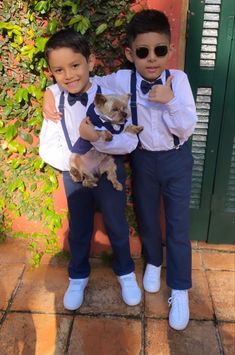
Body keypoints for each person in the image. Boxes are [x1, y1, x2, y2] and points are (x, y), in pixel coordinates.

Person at [43, 10, 197, 330]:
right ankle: (153, 262)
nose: (152, 59)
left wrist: (170, 101)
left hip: (175, 157)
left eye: (160, 50)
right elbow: (86, 80)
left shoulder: (178, 80)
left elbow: (186, 128)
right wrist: (51, 92)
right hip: (143, 160)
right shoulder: (122, 79)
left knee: (178, 226)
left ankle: (180, 289)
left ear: (169, 50)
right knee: (147, 217)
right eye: (143, 52)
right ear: (130, 54)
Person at [39, 28, 142, 311]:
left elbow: (130, 139)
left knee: (117, 224)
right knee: (79, 227)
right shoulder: (55, 101)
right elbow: (46, 146)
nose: (69, 75)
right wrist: (77, 161)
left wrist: (97, 140)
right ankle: (78, 275)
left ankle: (125, 271)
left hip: (109, 169)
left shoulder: (109, 95)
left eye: (75, 65)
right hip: (76, 175)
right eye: (59, 70)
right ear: (51, 73)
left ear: (91, 62)